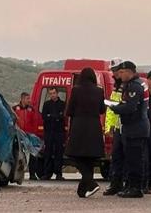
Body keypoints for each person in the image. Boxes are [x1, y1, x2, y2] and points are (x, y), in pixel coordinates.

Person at [108, 60, 149, 198]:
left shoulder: (134, 87)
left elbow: (130, 107)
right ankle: (130, 186)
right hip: (133, 127)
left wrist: (114, 107)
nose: (119, 75)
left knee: (135, 159)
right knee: (130, 159)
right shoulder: (135, 84)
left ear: (129, 72)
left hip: (135, 128)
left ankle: (135, 188)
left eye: (121, 72)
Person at [66, 67, 105, 198]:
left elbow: (69, 110)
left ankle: (91, 183)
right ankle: (83, 189)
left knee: (75, 156)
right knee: (90, 158)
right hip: (94, 126)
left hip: (79, 126)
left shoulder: (76, 90)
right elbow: (102, 110)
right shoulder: (99, 91)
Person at [103, 61, 125, 196]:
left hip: (126, 128)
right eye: (112, 70)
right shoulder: (116, 87)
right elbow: (111, 109)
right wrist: (109, 127)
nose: (113, 73)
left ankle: (122, 184)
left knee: (125, 158)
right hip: (118, 128)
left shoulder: (126, 86)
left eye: (115, 70)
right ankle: (115, 184)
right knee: (116, 157)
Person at [13, 92, 41, 180]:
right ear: (22, 99)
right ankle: (16, 174)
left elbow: (34, 122)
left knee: (33, 154)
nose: (29, 100)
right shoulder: (15, 109)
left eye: (29, 98)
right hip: (18, 135)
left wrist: (33, 134)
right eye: (27, 98)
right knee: (18, 154)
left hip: (29, 135)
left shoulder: (31, 109)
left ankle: (32, 174)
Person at [41, 86, 66, 180]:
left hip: (59, 132)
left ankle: (58, 173)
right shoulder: (46, 104)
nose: (52, 95)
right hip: (49, 132)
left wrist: (51, 116)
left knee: (59, 153)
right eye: (50, 94)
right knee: (48, 152)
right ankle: (47, 173)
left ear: (57, 93)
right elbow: (44, 116)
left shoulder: (62, 104)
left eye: (53, 93)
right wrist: (55, 117)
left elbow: (62, 116)